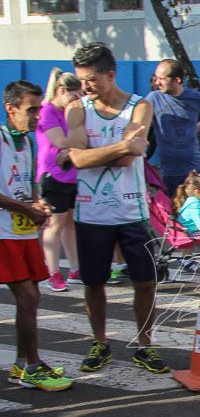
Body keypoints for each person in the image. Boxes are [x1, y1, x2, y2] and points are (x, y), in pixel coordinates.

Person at [62, 43, 168, 374]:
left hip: (132, 211)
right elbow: (77, 158)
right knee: (94, 283)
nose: (85, 87)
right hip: (91, 213)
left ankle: (145, 344)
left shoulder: (140, 106)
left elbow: (123, 161)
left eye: (91, 79)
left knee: (145, 282)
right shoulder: (76, 109)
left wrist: (94, 153)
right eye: (81, 80)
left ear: (110, 75)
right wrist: (123, 144)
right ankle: (100, 342)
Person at [2, 80, 72, 391]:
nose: (37, 118)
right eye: (31, 110)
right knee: (27, 298)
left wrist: (37, 203)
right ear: (11, 108)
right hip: (4, 233)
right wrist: (25, 208)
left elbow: (27, 183)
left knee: (32, 298)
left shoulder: (28, 142)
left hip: (23, 231)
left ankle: (22, 363)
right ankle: (31, 366)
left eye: (38, 111)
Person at [37, 68, 82, 292]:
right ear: (62, 90)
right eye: (75, 96)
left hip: (72, 174)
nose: (77, 101)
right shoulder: (47, 111)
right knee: (55, 223)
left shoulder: (67, 111)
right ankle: (53, 272)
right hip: (54, 174)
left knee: (70, 222)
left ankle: (75, 269)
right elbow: (62, 141)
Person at [146, 59, 200, 196]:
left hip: (195, 168)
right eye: (156, 78)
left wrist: (196, 128)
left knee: (198, 211)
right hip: (170, 171)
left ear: (177, 79)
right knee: (174, 212)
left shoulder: (195, 97)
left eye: (162, 79)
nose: (157, 82)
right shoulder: (154, 98)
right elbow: (141, 121)